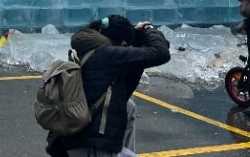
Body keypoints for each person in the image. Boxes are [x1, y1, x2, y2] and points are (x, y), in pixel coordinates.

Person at [49, 14, 171, 157]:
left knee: (128, 107)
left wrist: (137, 40)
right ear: (123, 43)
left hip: (76, 144)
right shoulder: (106, 55)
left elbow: (123, 94)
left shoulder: (90, 52)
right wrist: (150, 31)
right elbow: (161, 53)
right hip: (92, 146)